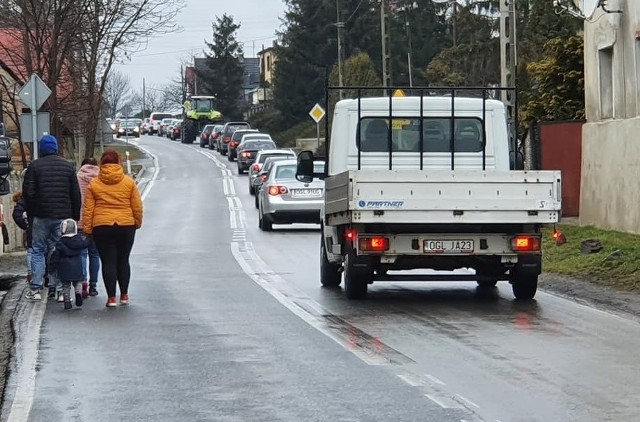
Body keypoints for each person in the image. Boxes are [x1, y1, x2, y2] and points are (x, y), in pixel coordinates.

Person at [22, 134, 81, 301]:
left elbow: (28, 192)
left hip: (41, 216)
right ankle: (62, 290)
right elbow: (75, 193)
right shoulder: (67, 167)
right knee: (59, 250)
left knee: (38, 251)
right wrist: (74, 215)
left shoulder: (34, 166)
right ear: (56, 148)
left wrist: (33, 211)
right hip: (63, 216)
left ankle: (36, 288)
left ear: (41, 149)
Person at [83, 150, 143, 308]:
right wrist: (137, 222)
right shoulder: (129, 182)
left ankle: (111, 298)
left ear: (102, 163)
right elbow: (137, 206)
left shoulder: (94, 184)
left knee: (108, 261)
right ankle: (124, 295)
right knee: (123, 260)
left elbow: (89, 209)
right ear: (119, 163)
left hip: (102, 226)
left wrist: (88, 229)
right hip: (126, 225)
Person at [49, 219, 90, 310]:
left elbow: (54, 256)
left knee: (66, 285)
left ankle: (67, 301)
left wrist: (51, 268)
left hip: (64, 268)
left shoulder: (60, 243)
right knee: (78, 282)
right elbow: (86, 244)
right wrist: (89, 237)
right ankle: (78, 293)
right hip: (77, 267)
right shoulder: (79, 240)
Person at [77, 157, 100, 297]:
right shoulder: (101, 179)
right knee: (95, 255)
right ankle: (93, 286)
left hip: (80, 221)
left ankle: (83, 280)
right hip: (96, 222)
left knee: (82, 253)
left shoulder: (76, 178)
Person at [12, 191, 33, 284]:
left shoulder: (23, 201)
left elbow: (17, 215)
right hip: (41, 226)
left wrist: (25, 226)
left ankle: (31, 274)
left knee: (31, 251)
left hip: (31, 229)